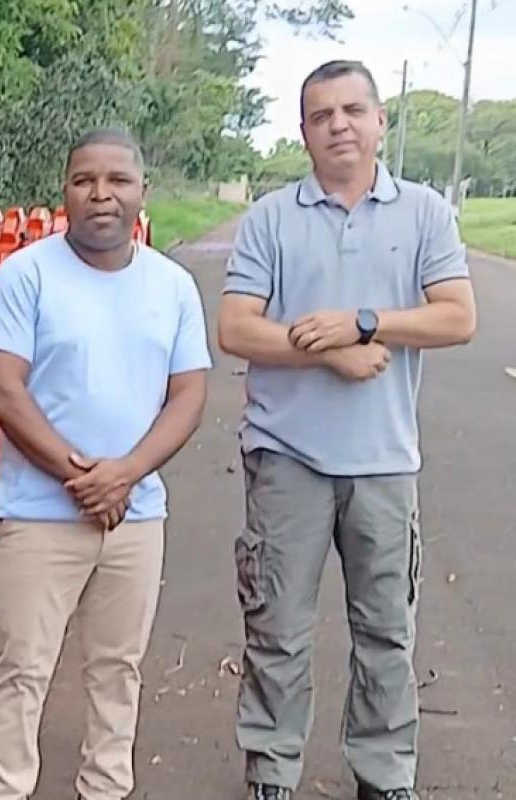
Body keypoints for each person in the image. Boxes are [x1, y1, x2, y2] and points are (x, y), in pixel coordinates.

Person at [218, 60, 476, 800]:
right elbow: (236, 328)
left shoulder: (424, 213)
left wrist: (365, 322)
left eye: (353, 110)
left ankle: (384, 773)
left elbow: (457, 317)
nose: (339, 126)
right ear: (303, 132)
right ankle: (272, 771)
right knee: (277, 628)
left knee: (387, 631)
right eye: (321, 115)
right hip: (286, 455)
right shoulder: (271, 218)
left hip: (384, 460)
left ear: (379, 121)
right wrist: (327, 351)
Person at [0, 127, 212, 800]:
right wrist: (85, 477)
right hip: (39, 516)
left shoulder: (173, 286)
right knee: (22, 670)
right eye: (84, 181)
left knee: (118, 671)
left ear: (142, 192)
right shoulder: (26, 275)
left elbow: (189, 394)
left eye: (117, 180)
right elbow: (3, 390)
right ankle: (6, 791)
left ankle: (105, 789)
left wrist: (126, 474)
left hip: (136, 517)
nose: (101, 194)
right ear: (65, 193)